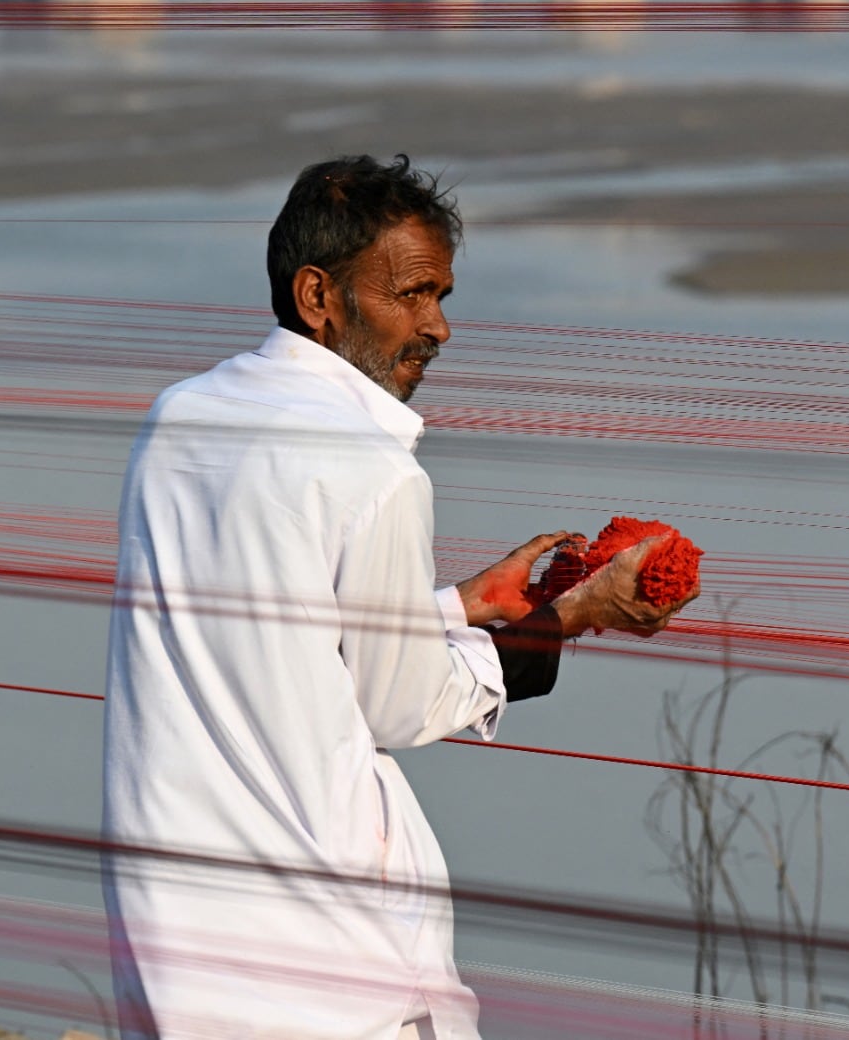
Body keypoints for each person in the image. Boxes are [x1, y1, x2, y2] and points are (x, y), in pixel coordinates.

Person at [101, 155, 697, 1040]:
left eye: (441, 296)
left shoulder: (180, 418)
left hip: (174, 930)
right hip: (322, 949)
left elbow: (280, 635)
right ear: (319, 296)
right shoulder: (372, 468)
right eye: (412, 294)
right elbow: (397, 702)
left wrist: (458, 606)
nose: (438, 327)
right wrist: (570, 615)